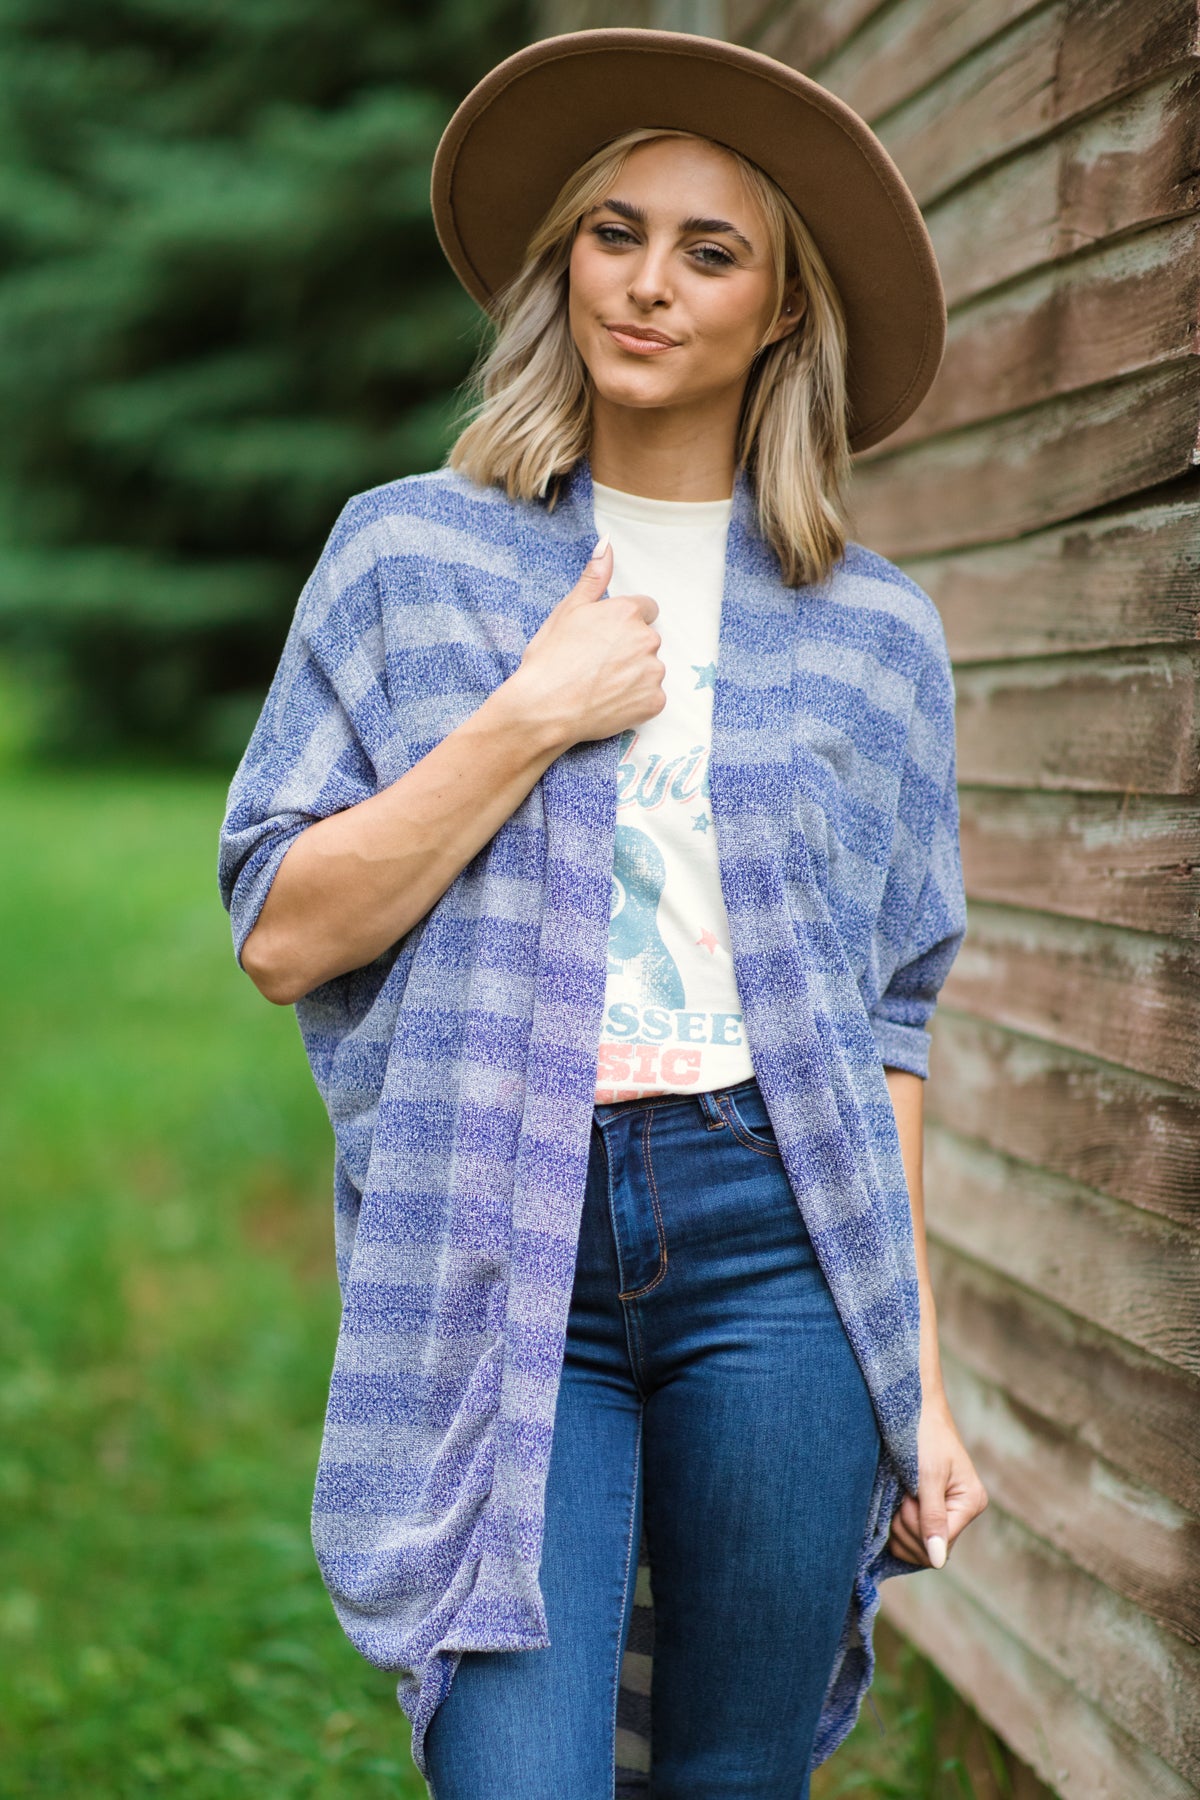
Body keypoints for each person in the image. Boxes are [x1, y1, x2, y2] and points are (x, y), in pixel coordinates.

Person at [217, 26, 989, 1800]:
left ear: (784, 311)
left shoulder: (874, 633)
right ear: (560, 260)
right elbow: (282, 931)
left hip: (780, 1243)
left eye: (711, 252)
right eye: (613, 232)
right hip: (505, 1229)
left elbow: (887, 1023)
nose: (647, 286)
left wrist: (919, 1375)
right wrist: (527, 716)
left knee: (732, 1775)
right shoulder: (410, 554)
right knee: (518, 1772)